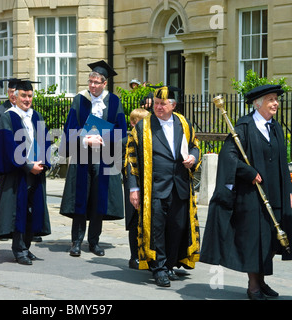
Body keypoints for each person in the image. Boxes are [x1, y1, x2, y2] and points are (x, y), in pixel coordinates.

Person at [200, 84, 292, 300]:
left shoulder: (276, 127)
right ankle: (253, 286)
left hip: (275, 192)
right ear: (257, 104)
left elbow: (282, 161)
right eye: (270, 99)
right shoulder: (243, 128)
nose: (275, 103)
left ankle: (262, 280)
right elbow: (229, 157)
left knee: (270, 238)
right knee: (254, 240)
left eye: (276, 99)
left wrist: (288, 191)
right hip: (253, 195)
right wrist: (248, 171)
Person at [125, 85, 201, 287]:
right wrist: (134, 189)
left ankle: (168, 265)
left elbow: (194, 145)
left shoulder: (183, 123)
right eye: (156, 104)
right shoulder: (142, 127)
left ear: (173, 105)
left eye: (162, 104)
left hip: (180, 186)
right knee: (157, 229)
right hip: (155, 187)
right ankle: (158, 269)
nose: (158, 107)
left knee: (177, 227)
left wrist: (193, 157)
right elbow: (131, 159)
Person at [59, 60, 127, 257]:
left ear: (105, 83)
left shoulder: (114, 102)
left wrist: (103, 139)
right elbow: (69, 128)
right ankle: (76, 241)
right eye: (90, 82)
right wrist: (84, 138)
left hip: (104, 157)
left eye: (96, 82)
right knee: (80, 198)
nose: (92, 86)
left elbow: (122, 132)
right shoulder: (79, 100)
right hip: (82, 156)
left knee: (99, 199)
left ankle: (94, 241)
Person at [0, 80, 51, 265]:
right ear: (15, 97)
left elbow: (45, 140)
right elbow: (9, 146)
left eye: (30, 96)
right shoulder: (8, 117)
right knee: (18, 211)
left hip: (36, 171)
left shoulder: (37, 116)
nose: (27, 99)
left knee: (32, 211)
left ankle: (26, 247)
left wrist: (43, 163)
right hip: (17, 173)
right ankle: (19, 250)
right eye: (23, 96)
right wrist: (27, 166)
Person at [122, 108, 150, 269]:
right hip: (132, 185)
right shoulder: (127, 140)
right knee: (134, 221)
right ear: (133, 123)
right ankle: (134, 256)